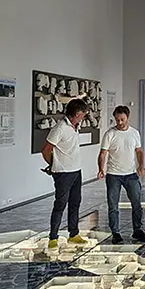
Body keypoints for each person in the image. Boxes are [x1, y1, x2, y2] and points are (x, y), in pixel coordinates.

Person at [42, 98, 90, 249]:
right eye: (83, 114)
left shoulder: (75, 126)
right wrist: (53, 164)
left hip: (76, 170)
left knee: (75, 202)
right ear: (76, 113)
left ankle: (74, 234)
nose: (84, 116)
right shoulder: (60, 128)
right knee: (60, 203)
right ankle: (53, 237)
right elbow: (46, 150)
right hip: (63, 172)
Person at [98, 105, 145, 245]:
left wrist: (140, 166)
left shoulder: (134, 133)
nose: (119, 123)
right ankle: (115, 233)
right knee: (113, 205)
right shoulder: (110, 134)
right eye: (117, 120)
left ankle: (137, 230)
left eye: (122, 119)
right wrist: (101, 168)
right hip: (113, 174)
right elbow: (103, 153)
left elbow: (139, 151)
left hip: (131, 174)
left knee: (136, 204)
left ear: (128, 117)